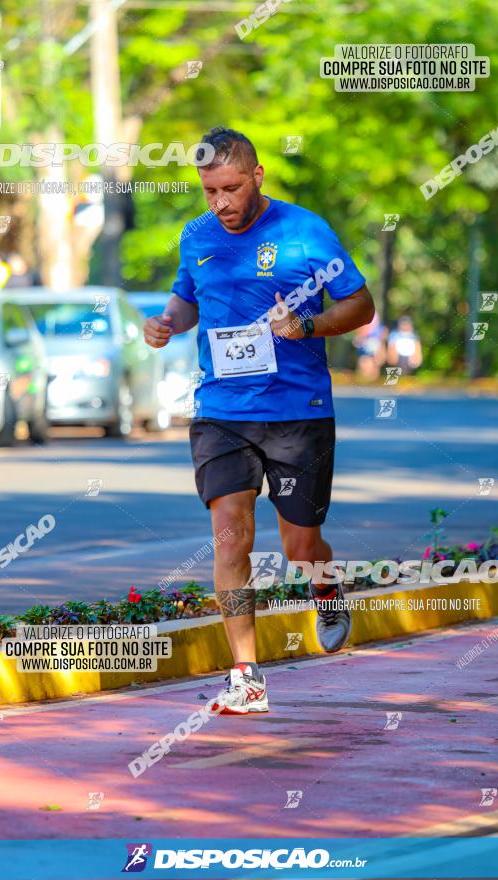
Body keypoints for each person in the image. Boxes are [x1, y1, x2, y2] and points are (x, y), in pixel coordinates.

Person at [144, 127, 374, 714]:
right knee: (230, 534)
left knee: (299, 544)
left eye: (231, 187)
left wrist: (309, 325)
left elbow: (361, 305)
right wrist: (168, 321)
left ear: (257, 177)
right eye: (209, 190)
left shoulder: (305, 232)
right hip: (221, 410)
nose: (220, 202)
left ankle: (324, 586)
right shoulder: (196, 236)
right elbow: (187, 298)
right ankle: (245, 676)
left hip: (298, 412)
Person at [352, 313, 387, 380]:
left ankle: (371, 377)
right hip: (367, 344)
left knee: (371, 360)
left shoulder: (378, 331)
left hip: (372, 344)